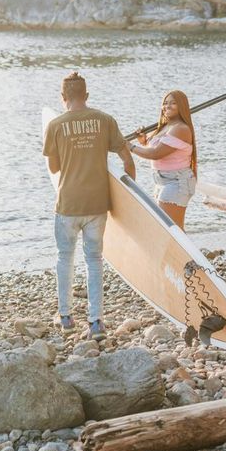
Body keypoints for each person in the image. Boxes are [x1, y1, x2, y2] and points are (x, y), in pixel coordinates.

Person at [43, 72, 135, 340]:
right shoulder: (105, 120)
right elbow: (127, 159)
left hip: (68, 204)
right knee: (94, 260)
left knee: (65, 258)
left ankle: (66, 317)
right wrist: (130, 198)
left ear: (63, 99)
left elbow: (53, 167)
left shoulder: (56, 125)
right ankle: (96, 322)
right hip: (97, 206)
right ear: (86, 95)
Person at [130, 90, 197, 230]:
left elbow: (155, 153)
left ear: (182, 106)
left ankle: (184, 252)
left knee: (172, 230)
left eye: (173, 103)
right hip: (162, 181)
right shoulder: (166, 126)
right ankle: (179, 252)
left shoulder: (181, 129)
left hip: (177, 182)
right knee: (170, 229)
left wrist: (129, 147)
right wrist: (143, 141)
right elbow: (156, 147)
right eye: (165, 103)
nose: (167, 106)